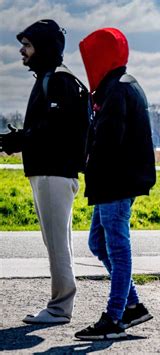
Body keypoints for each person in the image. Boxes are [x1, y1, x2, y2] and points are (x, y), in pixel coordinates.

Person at [0, 19, 86, 324]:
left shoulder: (58, 81)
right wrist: (20, 138)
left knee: (57, 244)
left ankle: (59, 308)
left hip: (53, 173)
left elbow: (51, 132)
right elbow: (46, 129)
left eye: (28, 45)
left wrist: (16, 140)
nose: (23, 51)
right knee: (57, 242)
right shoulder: (52, 78)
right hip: (52, 172)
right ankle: (62, 304)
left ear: (44, 48)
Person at [74, 27, 156, 340]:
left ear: (101, 57)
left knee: (118, 250)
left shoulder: (118, 90)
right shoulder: (120, 85)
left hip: (116, 183)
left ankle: (115, 316)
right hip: (115, 183)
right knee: (98, 243)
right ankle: (133, 306)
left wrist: (86, 161)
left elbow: (108, 140)